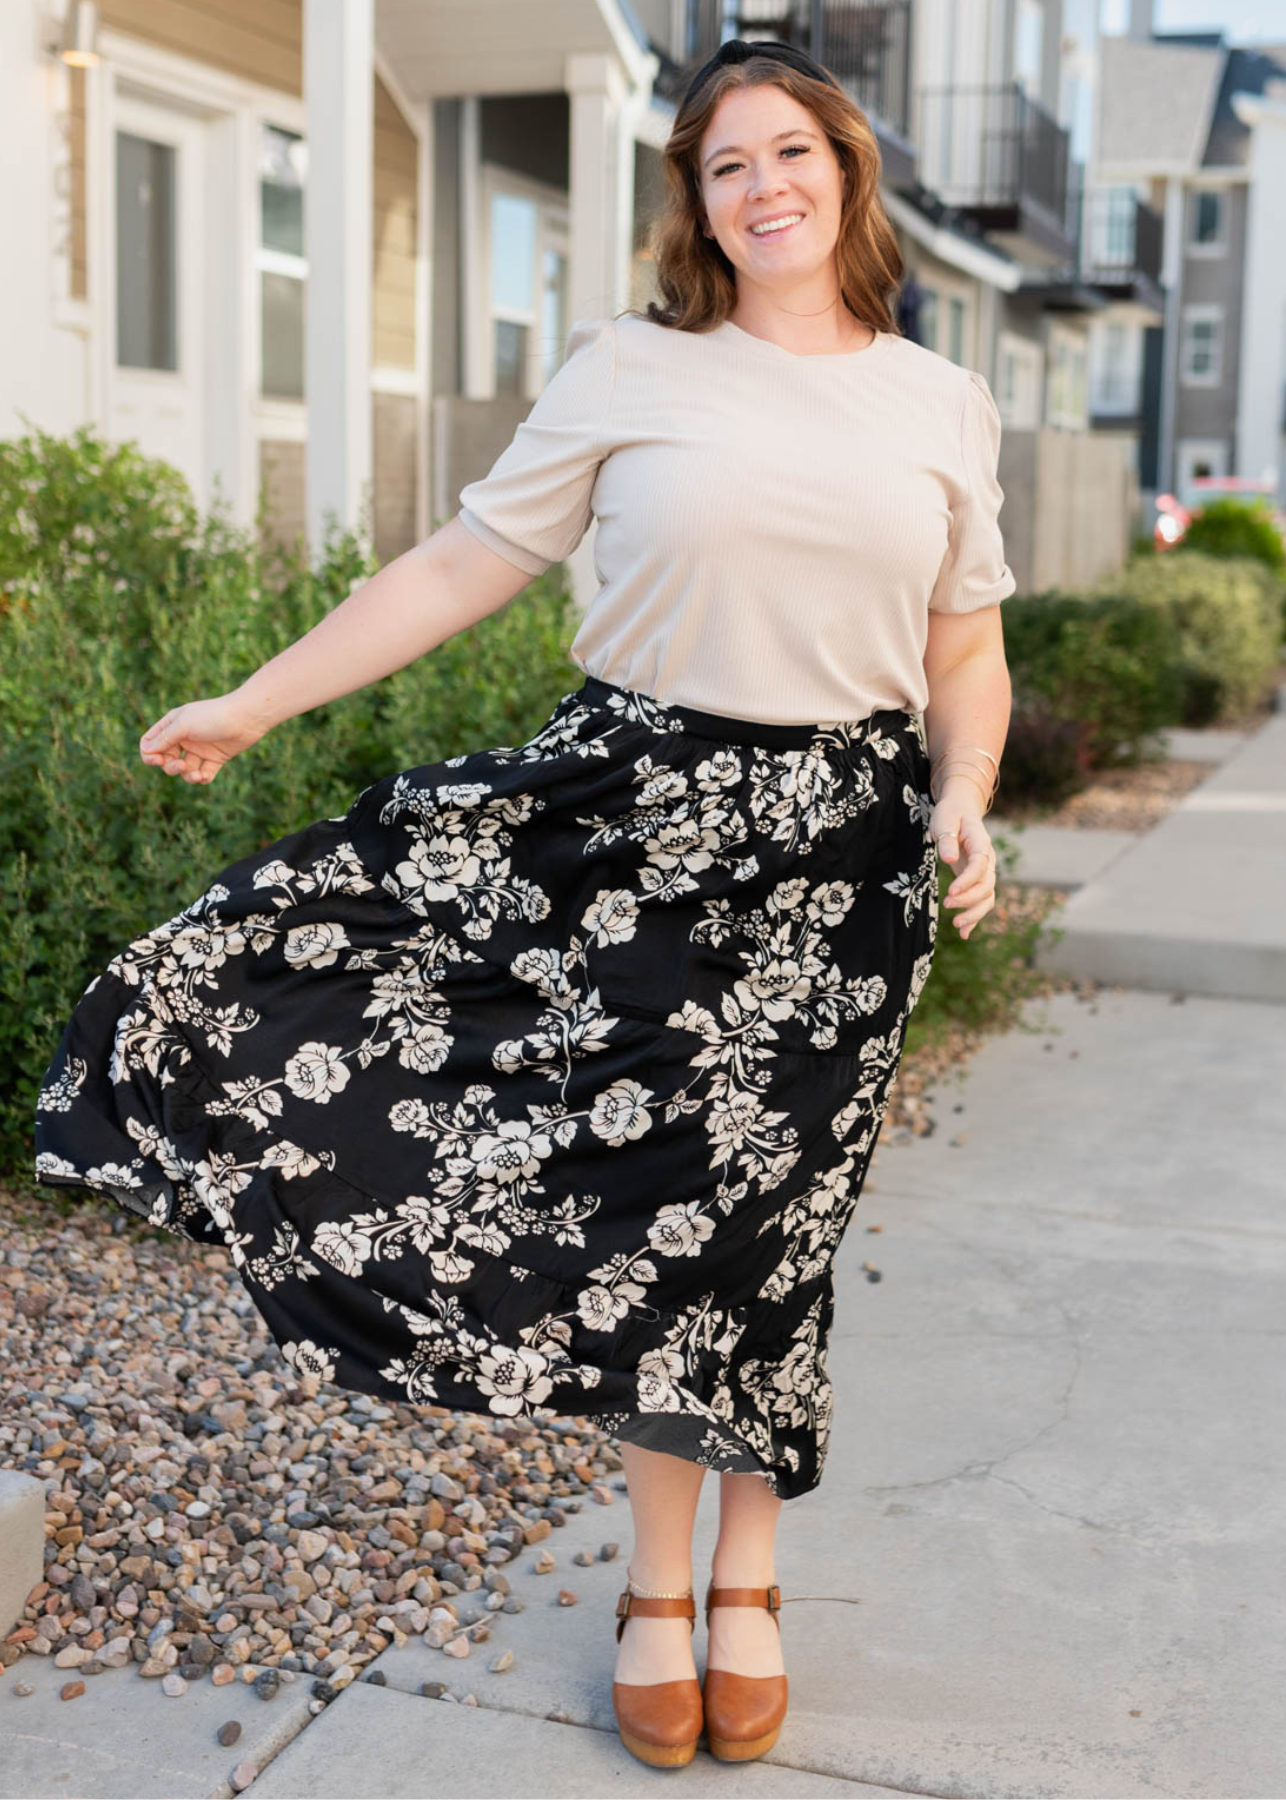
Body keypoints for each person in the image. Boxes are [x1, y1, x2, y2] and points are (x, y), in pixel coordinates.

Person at [32, 35, 1013, 1772]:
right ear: (696, 205)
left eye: (790, 153)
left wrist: (960, 799)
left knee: (767, 1232)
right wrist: (261, 696)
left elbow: (962, 647)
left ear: (846, 175)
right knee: (644, 1212)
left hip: (839, 865)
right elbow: (462, 563)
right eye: (725, 166)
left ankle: (750, 1577)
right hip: (628, 825)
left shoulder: (935, 401)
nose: (763, 186)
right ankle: (656, 1579)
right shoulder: (634, 366)